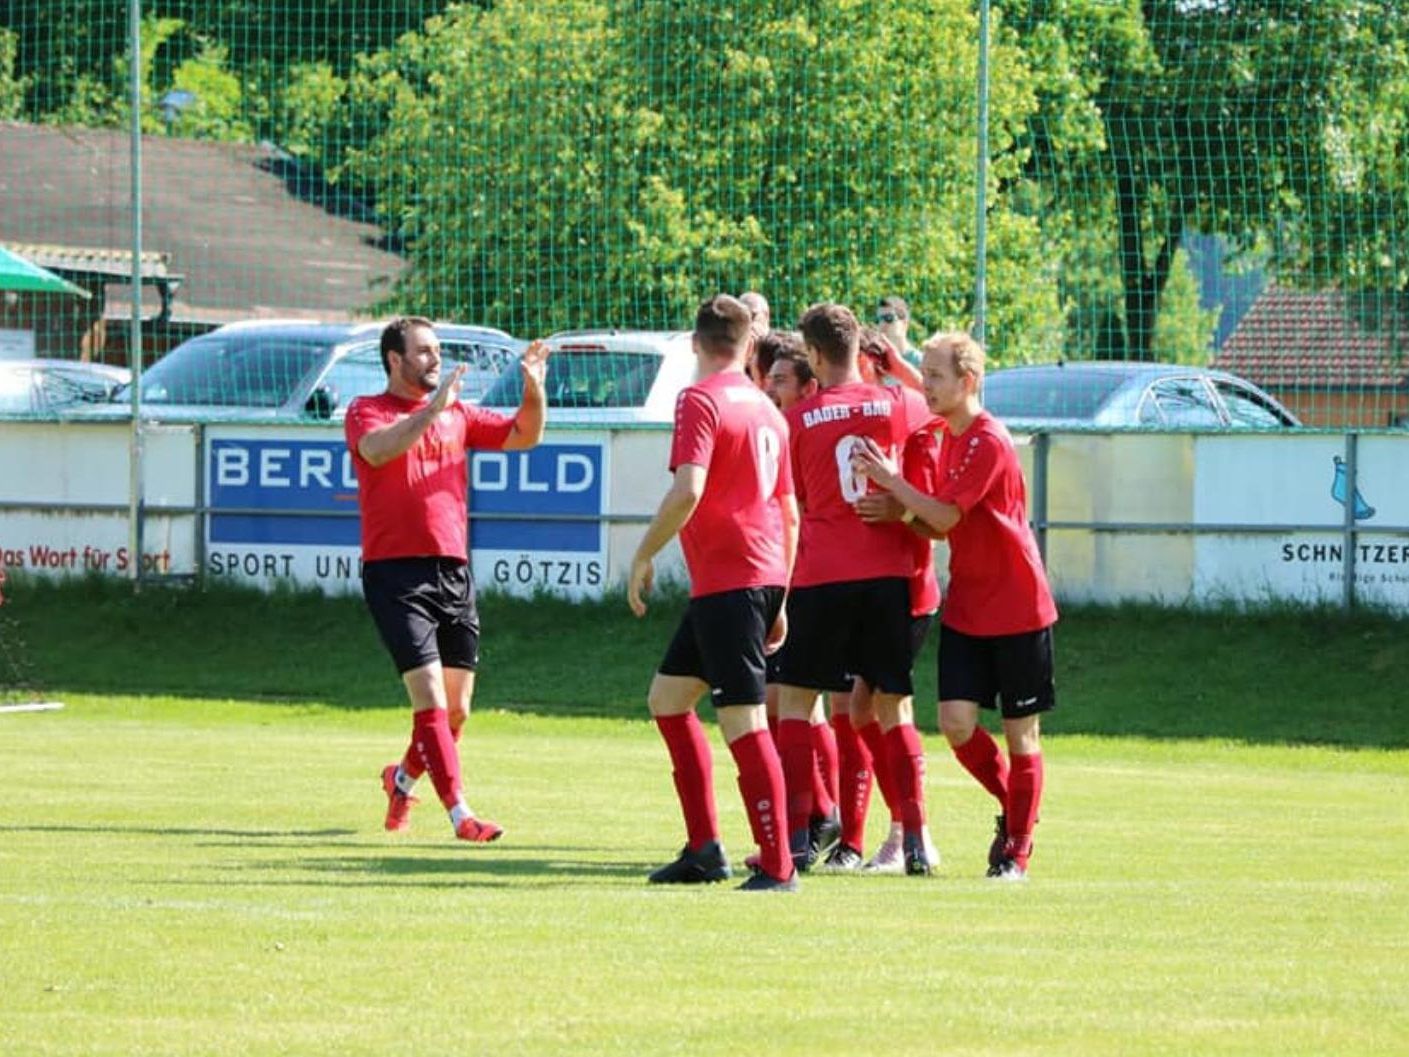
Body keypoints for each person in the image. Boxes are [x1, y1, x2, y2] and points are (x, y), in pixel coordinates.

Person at [851, 330, 1058, 881]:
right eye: (927, 375)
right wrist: (900, 514)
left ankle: (1016, 850)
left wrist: (892, 484)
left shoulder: (989, 439)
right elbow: (939, 526)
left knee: (1021, 737)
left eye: (936, 376)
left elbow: (942, 517)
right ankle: (1020, 810)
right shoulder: (949, 433)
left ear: (967, 382)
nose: (928, 387)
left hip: (1018, 606)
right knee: (956, 723)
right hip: (969, 605)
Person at [346, 316, 550, 843]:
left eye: (437, 351)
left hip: (453, 570)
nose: (435, 359)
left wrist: (534, 388)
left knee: (456, 710)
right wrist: (433, 409)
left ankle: (402, 778)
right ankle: (461, 815)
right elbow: (377, 450)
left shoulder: (457, 414)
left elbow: (525, 435)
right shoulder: (366, 411)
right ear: (395, 359)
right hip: (395, 574)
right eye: (424, 352)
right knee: (432, 700)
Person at [628, 294, 800, 893]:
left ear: (695, 343)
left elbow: (688, 490)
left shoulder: (698, 400)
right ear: (749, 345)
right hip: (748, 582)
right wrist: (780, 596)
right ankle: (703, 849)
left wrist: (644, 552)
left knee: (744, 723)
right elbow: (789, 512)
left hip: (732, 585)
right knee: (667, 700)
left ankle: (779, 867)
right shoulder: (767, 409)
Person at [771, 302, 936, 876]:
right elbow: (937, 409)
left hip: (822, 574)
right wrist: (900, 364)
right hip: (886, 574)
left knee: (795, 701)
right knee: (893, 706)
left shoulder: (797, 419)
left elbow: (795, 501)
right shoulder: (897, 403)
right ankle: (915, 838)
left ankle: (794, 838)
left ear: (814, 356)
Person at [876, 296, 922, 368]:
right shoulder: (875, 362)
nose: (882, 325)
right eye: (878, 320)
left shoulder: (920, 362)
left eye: (888, 318)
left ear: (904, 324)